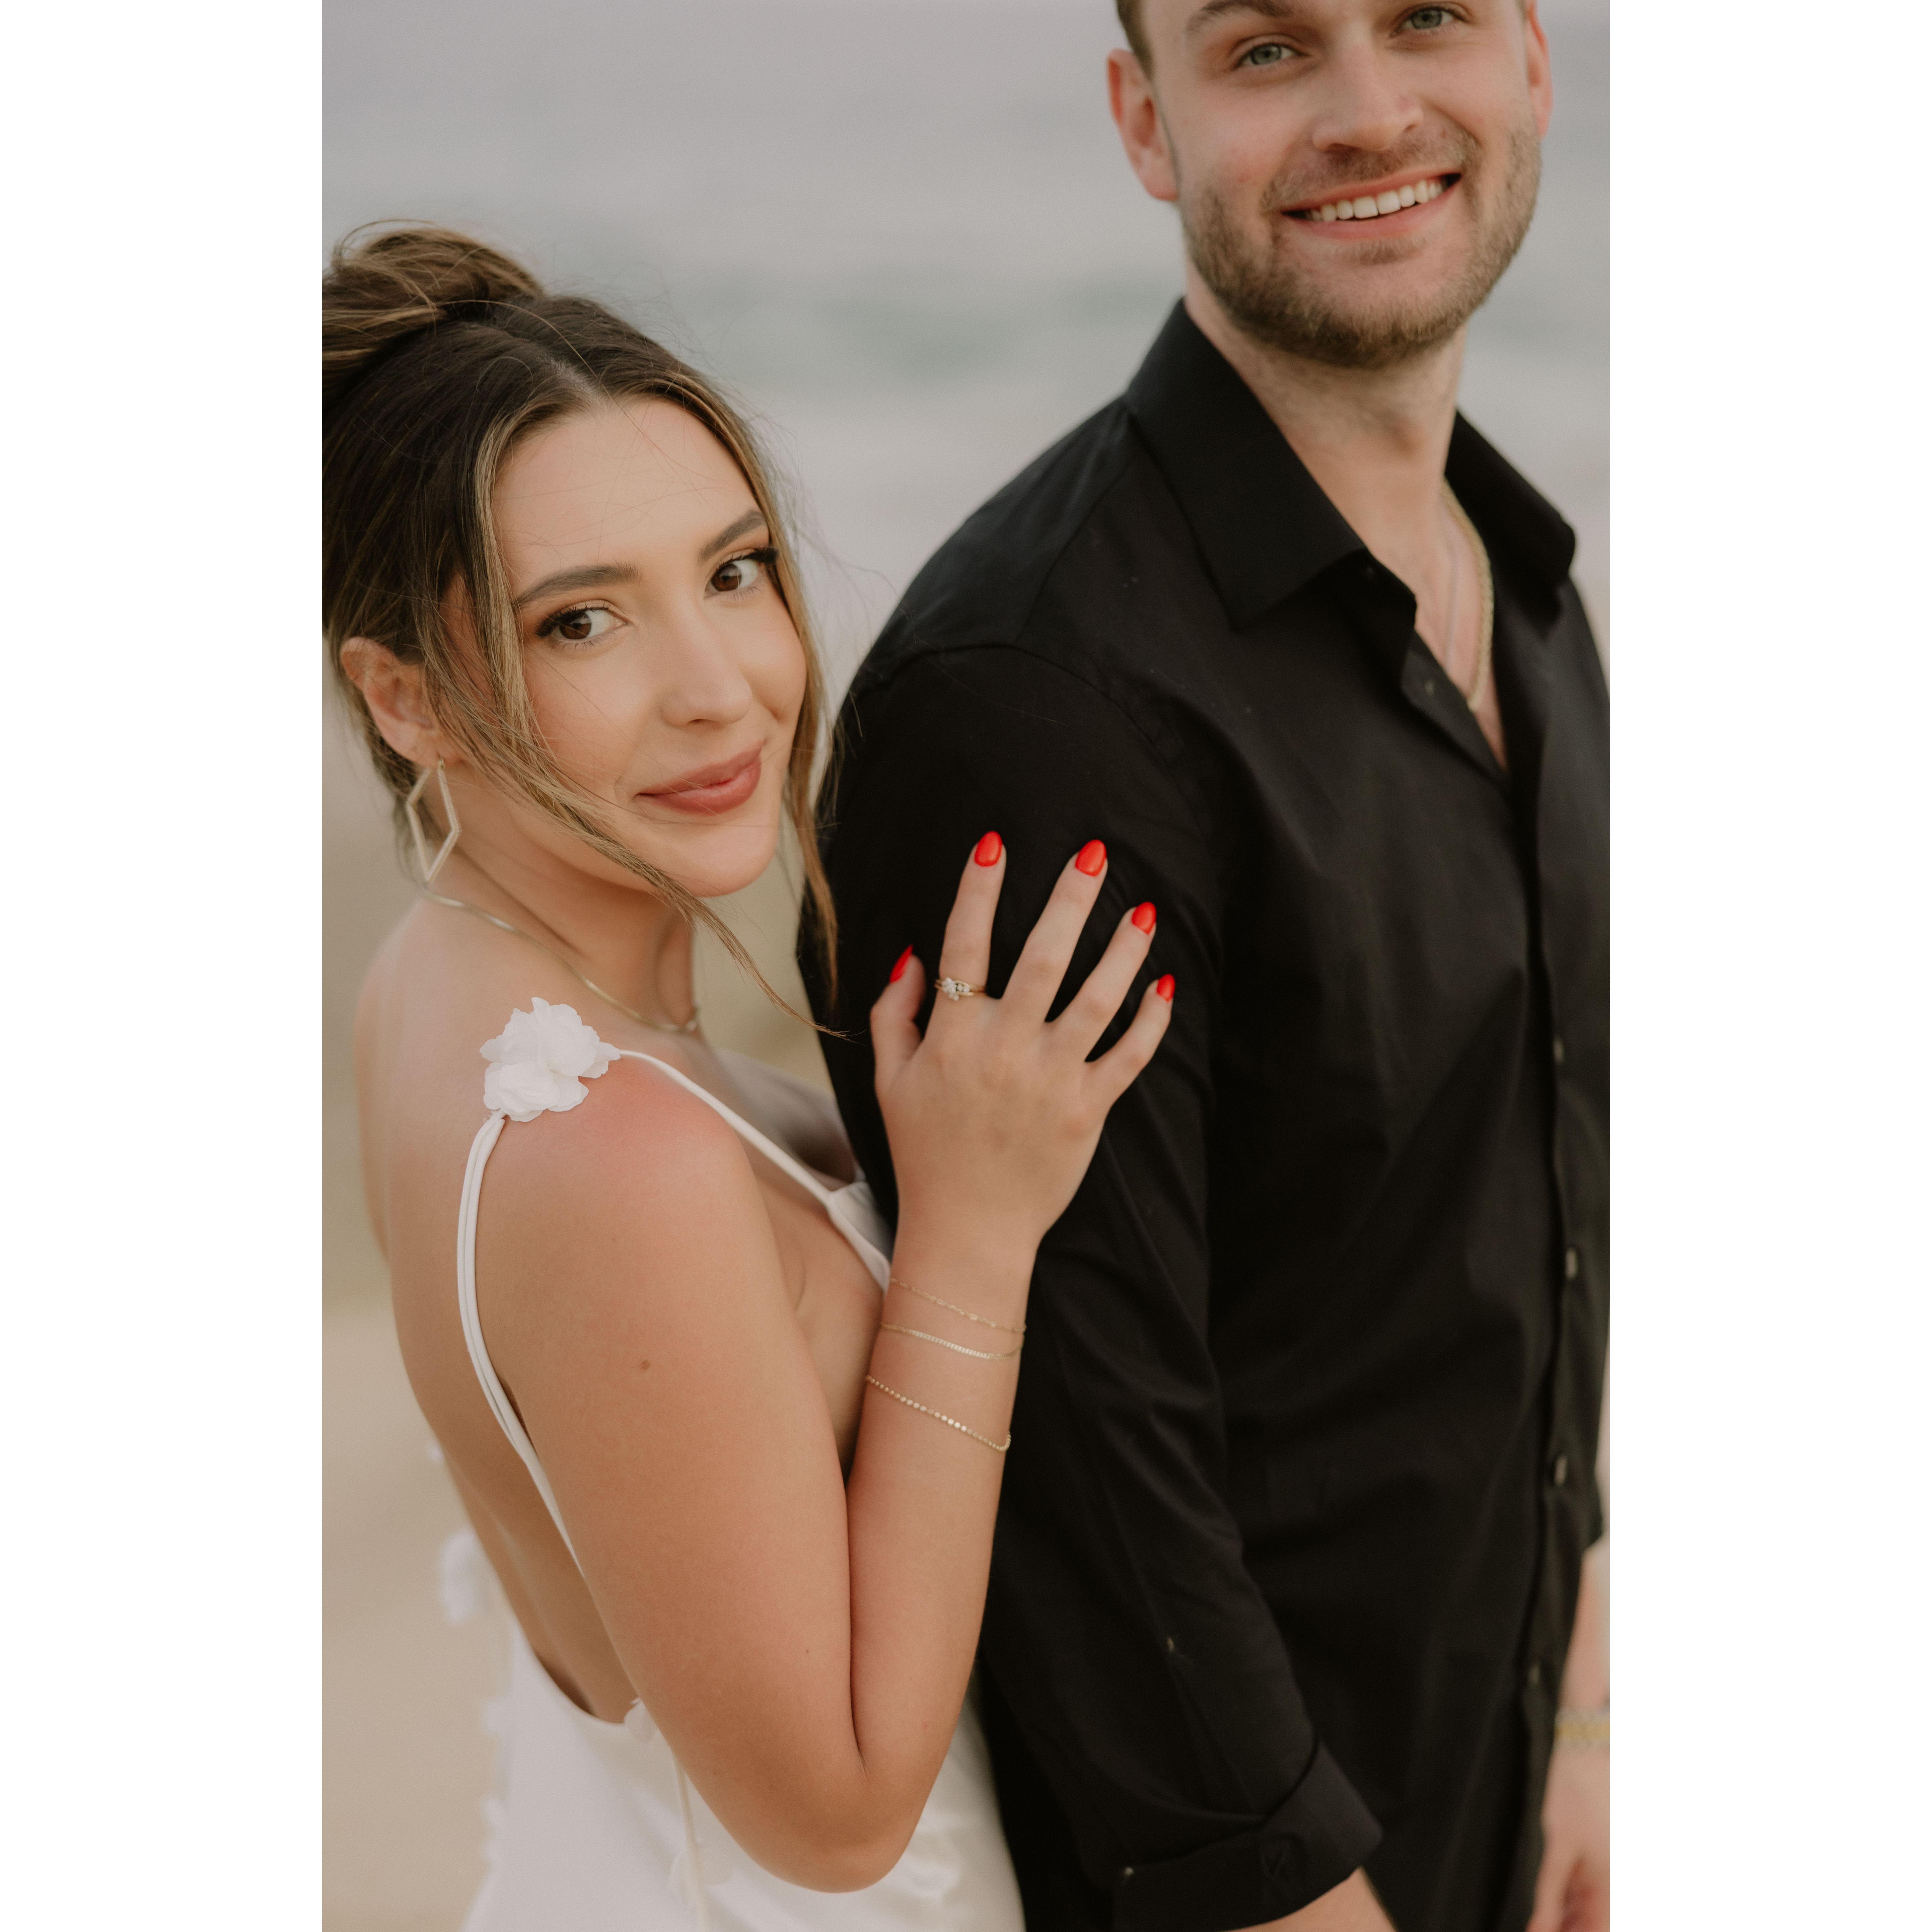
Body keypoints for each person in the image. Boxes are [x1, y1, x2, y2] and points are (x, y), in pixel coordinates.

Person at [803, 4, 1607, 1930]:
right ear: (1144, 120)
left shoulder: (1525, 587)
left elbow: (1526, 1219)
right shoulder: (1038, 707)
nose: (1371, 110)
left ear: (1532, 60)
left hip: (1502, 1790)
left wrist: (1581, 1706)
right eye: (1265, 51)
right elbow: (1086, 1465)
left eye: (1427, 19)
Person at [325, 225, 1174, 1929]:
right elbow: (836, 1816)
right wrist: (973, 1234)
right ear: (403, 697)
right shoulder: (612, 1156)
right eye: (582, 622)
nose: (721, 691)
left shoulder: (430, 982)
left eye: (731, 573)